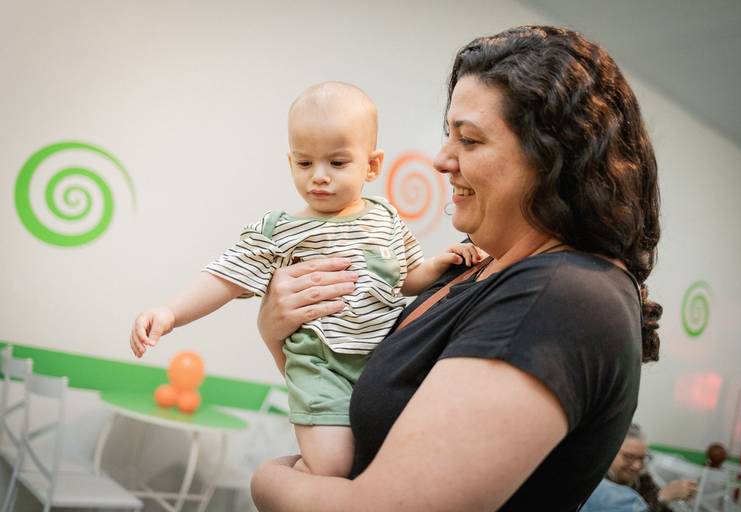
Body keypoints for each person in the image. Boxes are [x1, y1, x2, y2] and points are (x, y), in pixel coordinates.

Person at [250, 25, 663, 511]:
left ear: (551, 157)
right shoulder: (469, 273)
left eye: (468, 140)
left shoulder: (561, 296)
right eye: (449, 135)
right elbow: (357, 403)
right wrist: (277, 332)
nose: (442, 160)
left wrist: (268, 481)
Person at [128, 81, 483, 477]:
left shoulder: (385, 218)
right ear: (290, 162)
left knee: (385, 458)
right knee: (332, 464)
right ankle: (301, 474)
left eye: (337, 163)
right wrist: (170, 313)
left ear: (372, 165)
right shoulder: (280, 230)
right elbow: (225, 277)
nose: (319, 177)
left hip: (381, 361)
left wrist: (440, 263)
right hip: (320, 366)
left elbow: (407, 278)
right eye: (304, 163)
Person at [587, 423, 697, 512]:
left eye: (642, 458)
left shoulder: (641, 480)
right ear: (609, 451)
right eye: (629, 457)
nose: (637, 466)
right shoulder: (596, 487)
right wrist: (662, 498)